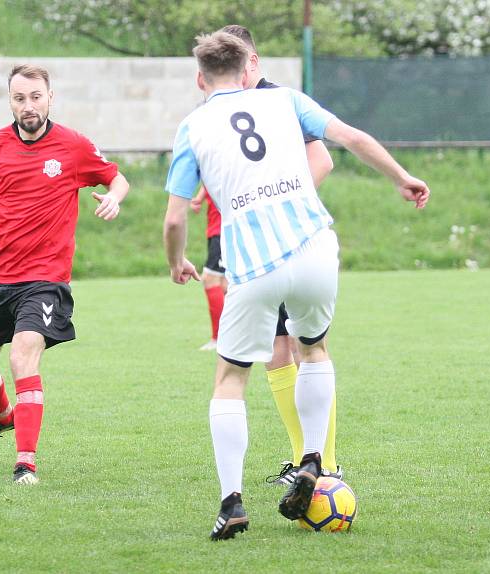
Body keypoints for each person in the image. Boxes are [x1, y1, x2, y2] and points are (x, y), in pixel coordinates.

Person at [163, 31, 429, 540]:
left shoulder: (193, 126)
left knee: (231, 379)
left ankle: (232, 502)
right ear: (247, 70)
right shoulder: (283, 100)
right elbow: (350, 138)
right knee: (315, 349)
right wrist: (400, 176)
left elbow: (176, 219)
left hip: (253, 264)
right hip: (313, 246)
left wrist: (177, 262)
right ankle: (312, 460)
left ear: (201, 78)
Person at [0, 64, 130, 484]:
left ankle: (25, 462)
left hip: (46, 279)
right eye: (19, 98)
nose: (28, 105)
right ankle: (2, 414)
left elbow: (117, 178)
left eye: (35, 97)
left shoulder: (73, 146)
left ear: (50, 97)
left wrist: (114, 198)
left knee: (22, 354)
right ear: (10, 100)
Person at [220, 24, 341, 485]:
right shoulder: (228, 109)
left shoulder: (278, 100)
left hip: (294, 243)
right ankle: (302, 458)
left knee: (310, 348)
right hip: (257, 250)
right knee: (275, 351)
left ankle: (326, 460)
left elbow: (323, 160)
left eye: (243, 62)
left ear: (255, 61)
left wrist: (281, 208)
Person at [191, 185, 227, 351]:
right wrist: (199, 198)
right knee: (227, 284)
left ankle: (219, 338)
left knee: (210, 279)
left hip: (222, 230)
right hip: (219, 230)